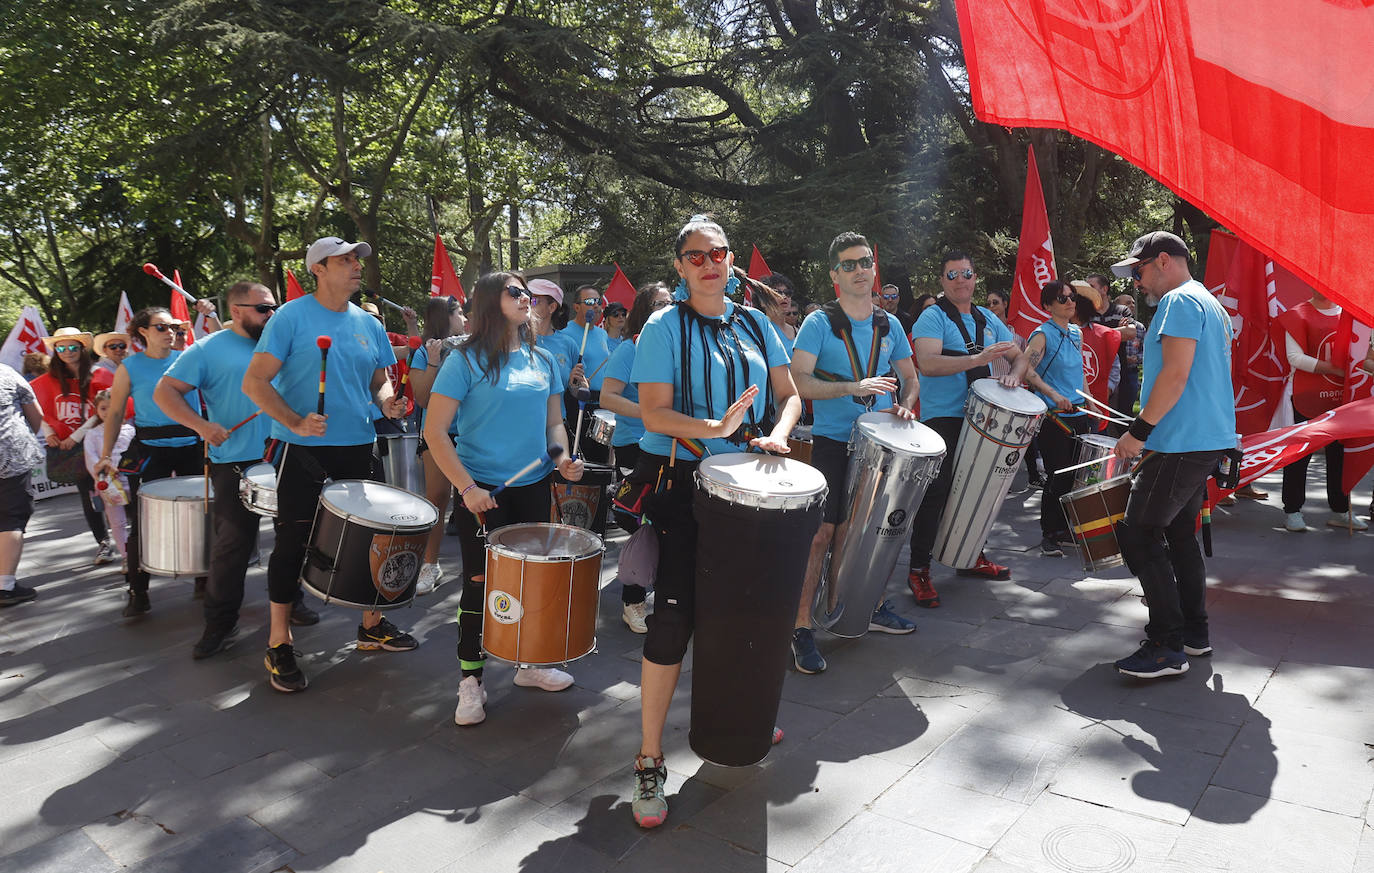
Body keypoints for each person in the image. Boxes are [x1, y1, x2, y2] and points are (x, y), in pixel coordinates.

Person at [627, 215, 800, 829]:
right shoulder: (661, 325)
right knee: (672, 622)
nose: (710, 263)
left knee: (747, 613)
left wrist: (778, 434)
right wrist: (716, 431)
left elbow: (790, 392)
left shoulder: (756, 321)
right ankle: (649, 760)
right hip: (685, 489)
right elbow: (652, 413)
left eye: (719, 253)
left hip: (755, 492)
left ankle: (740, 715)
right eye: (696, 256)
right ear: (679, 266)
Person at [242, 237, 414, 694]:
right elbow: (255, 382)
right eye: (345, 260)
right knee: (292, 542)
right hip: (302, 450)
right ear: (318, 269)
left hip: (359, 444)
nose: (357, 266)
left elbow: (379, 381)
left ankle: (371, 626)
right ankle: (279, 641)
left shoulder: (367, 323)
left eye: (358, 259)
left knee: (376, 538)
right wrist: (295, 419)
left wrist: (389, 404)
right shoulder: (290, 317)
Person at [422, 271, 585, 726]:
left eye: (528, 293)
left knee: (532, 580)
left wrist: (563, 460)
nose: (526, 298)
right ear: (490, 302)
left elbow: (554, 427)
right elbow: (434, 431)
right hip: (482, 491)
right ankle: (471, 681)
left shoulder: (544, 359)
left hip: (534, 487)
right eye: (516, 292)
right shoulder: (464, 360)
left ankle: (530, 664)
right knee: (479, 585)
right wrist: (467, 489)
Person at [789, 232, 920, 674]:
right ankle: (801, 627)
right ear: (834, 276)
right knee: (820, 536)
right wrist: (853, 387)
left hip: (881, 445)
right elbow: (799, 382)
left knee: (861, 534)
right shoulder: (819, 324)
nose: (860, 270)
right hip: (833, 441)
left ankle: (859, 608)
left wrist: (906, 400)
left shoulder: (889, 324)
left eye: (865, 262)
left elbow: (910, 376)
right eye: (848, 264)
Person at [156, 281, 309, 660]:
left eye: (274, 307)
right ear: (236, 310)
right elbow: (165, 392)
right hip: (236, 462)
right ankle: (220, 623)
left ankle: (293, 602)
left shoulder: (284, 342)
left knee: (292, 540)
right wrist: (202, 427)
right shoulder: (208, 348)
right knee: (232, 548)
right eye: (262, 308)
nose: (271, 314)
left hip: (287, 454)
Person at [1108, 231, 1236, 679]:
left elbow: (1177, 375)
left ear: (1163, 260)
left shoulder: (1180, 302)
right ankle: (1193, 635)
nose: (1138, 282)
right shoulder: (1208, 302)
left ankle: (1166, 644)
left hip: (1180, 441)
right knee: (1180, 536)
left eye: (1139, 271)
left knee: (1138, 533)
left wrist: (1137, 432)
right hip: (1199, 439)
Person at [906, 252, 1030, 608]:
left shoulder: (988, 318)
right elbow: (927, 364)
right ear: (943, 281)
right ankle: (919, 569)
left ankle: (970, 553)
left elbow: (1019, 356)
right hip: (944, 417)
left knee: (981, 490)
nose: (960, 280)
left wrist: (1013, 374)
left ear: (975, 278)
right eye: (952, 275)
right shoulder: (932, 316)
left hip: (984, 418)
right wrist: (977, 360)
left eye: (966, 273)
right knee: (938, 491)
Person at [94, 308, 206, 617]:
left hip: (191, 447)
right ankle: (137, 590)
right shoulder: (129, 367)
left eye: (173, 326)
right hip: (151, 451)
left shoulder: (190, 358)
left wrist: (208, 317)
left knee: (202, 516)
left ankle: (204, 578)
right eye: (161, 327)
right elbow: (115, 413)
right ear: (142, 332)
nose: (169, 331)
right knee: (142, 522)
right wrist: (106, 455)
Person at [599, 281, 673, 633]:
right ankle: (633, 601)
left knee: (669, 523)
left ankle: (666, 595)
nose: (666, 307)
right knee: (645, 523)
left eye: (670, 302)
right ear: (643, 309)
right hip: (636, 445)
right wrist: (648, 414)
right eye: (659, 303)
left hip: (674, 445)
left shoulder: (675, 344)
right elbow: (608, 397)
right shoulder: (630, 348)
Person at [1278, 289, 1368, 531]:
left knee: (1340, 457)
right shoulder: (1298, 314)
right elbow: (1294, 357)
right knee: (1299, 454)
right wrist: (1333, 369)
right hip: (1306, 397)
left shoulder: (1354, 317)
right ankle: (1293, 510)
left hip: (1343, 399)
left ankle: (1340, 510)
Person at [31, 328, 114, 565]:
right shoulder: (47, 380)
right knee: (89, 495)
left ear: (82, 348)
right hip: (74, 451)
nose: (67, 352)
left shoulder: (100, 375)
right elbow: (41, 410)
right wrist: (49, 433)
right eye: (61, 347)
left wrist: (77, 435)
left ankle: (128, 538)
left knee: (116, 491)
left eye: (73, 347)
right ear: (55, 351)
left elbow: (108, 409)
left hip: (102, 443)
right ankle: (103, 542)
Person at [1021, 281, 1090, 557]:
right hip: (1054, 416)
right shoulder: (1042, 334)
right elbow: (1026, 370)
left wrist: (1088, 398)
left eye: (1072, 297)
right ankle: (1049, 532)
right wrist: (1053, 394)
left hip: (1079, 413)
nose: (1070, 302)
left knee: (1074, 476)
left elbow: (1080, 371)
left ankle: (1063, 528)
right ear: (1048, 306)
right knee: (1057, 474)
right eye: (1062, 299)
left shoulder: (1076, 332)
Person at [408, 294, 468, 594]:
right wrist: (433, 361)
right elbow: (422, 398)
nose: (465, 319)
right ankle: (429, 564)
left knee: (472, 498)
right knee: (438, 496)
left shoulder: (472, 345)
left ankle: (479, 564)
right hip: (437, 432)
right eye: (459, 313)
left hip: (472, 431)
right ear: (445, 317)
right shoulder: (422, 351)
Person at [0, 364, 44, 607]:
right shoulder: (6, 373)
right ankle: (4, 586)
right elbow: (35, 414)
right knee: (11, 518)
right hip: (9, 456)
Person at [558, 284, 611, 463]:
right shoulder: (565, 334)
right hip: (578, 403)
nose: (595, 306)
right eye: (589, 301)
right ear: (577, 307)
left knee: (602, 460)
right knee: (583, 458)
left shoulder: (602, 334)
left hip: (602, 404)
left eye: (598, 302)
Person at [81, 390, 133, 570]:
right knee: (117, 522)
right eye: (103, 408)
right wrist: (102, 469)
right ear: (96, 410)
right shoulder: (93, 434)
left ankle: (142, 553)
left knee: (141, 519)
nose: (108, 412)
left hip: (133, 482)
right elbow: (91, 460)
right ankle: (127, 557)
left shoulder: (132, 430)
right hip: (109, 484)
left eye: (113, 407)